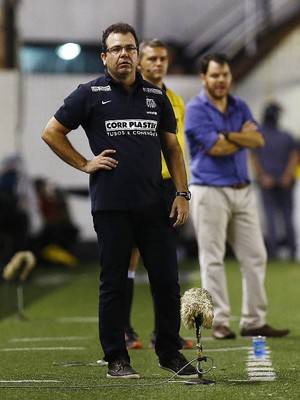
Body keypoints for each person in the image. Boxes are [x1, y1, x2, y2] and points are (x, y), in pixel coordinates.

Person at [41, 22, 196, 379]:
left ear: (137, 55)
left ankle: (170, 353)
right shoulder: (90, 93)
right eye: (117, 49)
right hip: (111, 207)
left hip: (155, 205)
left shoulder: (156, 97)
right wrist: (84, 163)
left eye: (130, 48)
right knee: (113, 282)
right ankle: (116, 358)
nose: (124, 54)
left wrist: (182, 194)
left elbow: (172, 148)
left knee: (166, 281)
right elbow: (52, 132)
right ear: (104, 56)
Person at [184, 53, 290, 340]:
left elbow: (258, 140)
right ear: (203, 78)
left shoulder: (239, 105)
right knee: (212, 258)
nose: (221, 80)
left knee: (256, 255)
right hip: (209, 190)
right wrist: (236, 136)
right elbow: (214, 149)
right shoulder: (195, 109)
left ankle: (253, 320)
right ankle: (218, 323)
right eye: (215, 75)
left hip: (242, 190)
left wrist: (226, 135)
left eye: (225, 75)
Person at [123, 38, 193, 351]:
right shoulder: (130, 95)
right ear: (140, 62)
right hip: (138, 184)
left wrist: (181, 189)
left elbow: (175, 147)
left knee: (165, 266)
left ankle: (165, 334)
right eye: (151, 58)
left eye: (163, 59)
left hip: (166, 187)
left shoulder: (175, 100)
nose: (158, 64)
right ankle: (123, 329)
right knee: (128, 258)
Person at [249, 102, 298, 260]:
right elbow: (294, 156)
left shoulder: (259, 137)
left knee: (270, 219)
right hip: (286, 182)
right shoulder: (287, 136)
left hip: (267, 182)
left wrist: (263, 177)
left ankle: (274, 253)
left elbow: (254, 158)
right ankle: (291, 252)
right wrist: (287, 175)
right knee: (287, 218)